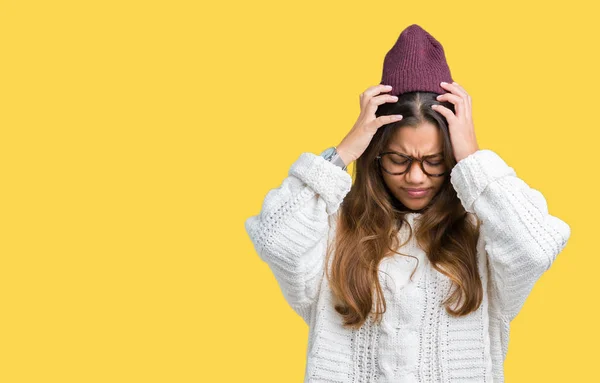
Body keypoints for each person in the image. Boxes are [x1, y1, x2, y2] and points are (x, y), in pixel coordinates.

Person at [244, 24, 570, 383]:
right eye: (399, 160)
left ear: (453, 159)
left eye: (434, 161)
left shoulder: (487, 234)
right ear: (374, 156)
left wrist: (474, 158)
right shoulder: (333, 227)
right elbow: (274, 238)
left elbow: (537, 248)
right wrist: (343, 152)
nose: (416, 178)